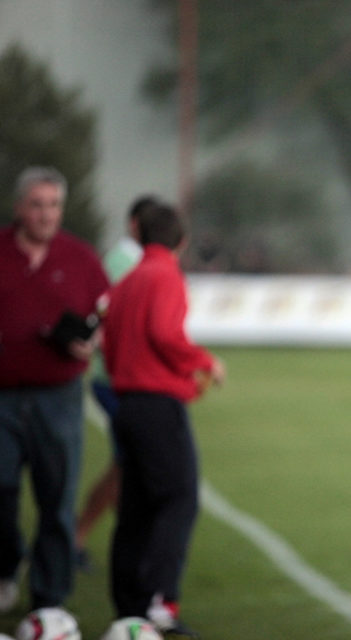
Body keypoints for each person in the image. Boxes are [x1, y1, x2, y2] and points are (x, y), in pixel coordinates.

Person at [101, 201, 225, 637]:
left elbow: (110, 343)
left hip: (127, 403)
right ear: (181, 241)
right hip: (157, 406)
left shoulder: (128, 279)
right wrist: (204, 362)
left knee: (135, 506)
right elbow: (164, 333)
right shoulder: (166, 275)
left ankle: (129, 605)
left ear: (139, 236)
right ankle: (159, 601)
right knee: (178, 499)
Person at [0, 167, 110, 614]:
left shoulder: (81, 259)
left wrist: (92, 339)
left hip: (59, 397)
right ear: (19, 207)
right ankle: (6, 568)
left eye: (53, 205)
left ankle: (50, 598)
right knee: (0, 491)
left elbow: (105, 315)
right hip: (2, 396)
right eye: (37, 204)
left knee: (57, 498)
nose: (46, 214)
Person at [74, 195, 157, 570]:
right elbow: (105, 313)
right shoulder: (125, 261)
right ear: (135, 225)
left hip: (129, 378)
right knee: (132, 463)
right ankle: (82, 537)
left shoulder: (138, 260)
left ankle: (84, 536)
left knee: (130, 463)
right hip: (118, 379)